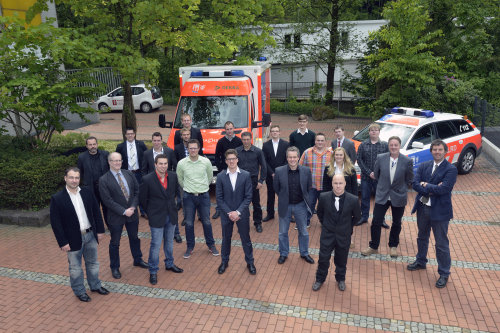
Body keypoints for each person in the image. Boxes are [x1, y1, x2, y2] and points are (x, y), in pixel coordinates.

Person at [50, 167, 109, 302]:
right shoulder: (57, 198)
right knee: (75, 268)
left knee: (93, 263)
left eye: (77, 177)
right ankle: (79, 291)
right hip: (72, 239)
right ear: (65, 178)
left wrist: (100, 230)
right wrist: (63, 242)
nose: (74, 180)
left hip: (90, 235)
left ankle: (95, 285)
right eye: (71, 177)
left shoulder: (87, 193)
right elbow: (56, 223)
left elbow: (96, 212)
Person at [408, 139, 457, 289]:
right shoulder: (424, 165)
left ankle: (444, 273)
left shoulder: (451, 169)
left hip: (440, 212)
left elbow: (444, 189)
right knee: (422, 237)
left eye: (440, 150)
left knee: (441, 243)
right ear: (431, 151)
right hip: (423, 208)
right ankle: (421, 261)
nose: (437, 152)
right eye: (434, 149)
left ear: (445, 151)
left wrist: (426, 185)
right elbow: (415, 183)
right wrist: (433, 187)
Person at [361, 136, 413, 258]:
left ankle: (393, 246)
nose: (393, 147)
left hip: (398, 196)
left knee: (396, 223)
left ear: (400, 146)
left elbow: (410, 178)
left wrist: (402, 188)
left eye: (396, 145)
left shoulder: (407, 161)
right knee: (376, 221)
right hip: (382, 195)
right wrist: (384, 186)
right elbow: (377, 174)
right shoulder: (381, 158)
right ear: (388, 146)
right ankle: (373, 246)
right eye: (391, 145)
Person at [99, 152, 148, 279]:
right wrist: (123, 211)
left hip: (132, 213)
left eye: (119, 160)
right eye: (114, 160)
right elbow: (107, 200)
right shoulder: (104, 179)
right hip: (116, 216)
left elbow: (137, 191)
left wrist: (133, 206)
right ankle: (114, 267)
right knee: (115, 242)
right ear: (109, 162)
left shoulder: (129, 174)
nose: (117, 163)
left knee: (135, 238)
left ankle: (137, 259)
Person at [140, 154, 183, 285]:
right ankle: (153, 271)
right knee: (156, 245)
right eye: (160, 164)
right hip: (156, 217)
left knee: (169, 242)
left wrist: (175, 207)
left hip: (171, 215)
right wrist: (150, 213)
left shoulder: (173, 176)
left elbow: (176, 193)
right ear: (155, 164)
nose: (163, 166)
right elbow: (142, 200)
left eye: (165, 164)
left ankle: (169, 264)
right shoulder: (147, 179)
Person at [312, 174, 361, 292]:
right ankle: (320, 279)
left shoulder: (353, 199)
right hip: (327, 234)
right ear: (332, 184)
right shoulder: (323, 197)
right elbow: (320, 214)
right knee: (323, 258)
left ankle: (340, 279)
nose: (338, 186)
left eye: (340, 183)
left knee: (341, 259)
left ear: (345, 183)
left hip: (343, 235)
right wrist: (326, 225)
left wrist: (348, 227)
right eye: (335, 183)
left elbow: (357, 217)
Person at [177, 139, 219, 259]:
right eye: (191, 148)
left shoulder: (205, 162)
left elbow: (210, 176)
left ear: (199, 149)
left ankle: (211, 245)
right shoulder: (182, 163)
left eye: (195, 148)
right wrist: (188, 188)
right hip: (188, 196)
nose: (193, 150)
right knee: (189, 223)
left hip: (204, 196)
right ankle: (190, 247)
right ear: (188, 149)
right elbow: (180, 179)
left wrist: (202, 187)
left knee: (206, 222)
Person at [215, 149, 256, 275]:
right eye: (229, 159)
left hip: (242, 214)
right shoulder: (221, 176)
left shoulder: (245, 175)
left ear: (237, 160)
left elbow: (248, 196)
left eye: (233, 158)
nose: (231, 161)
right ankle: (224, 262)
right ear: (226, 161)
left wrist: (237, 212)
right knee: (226, 238)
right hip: (226, 214)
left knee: (246, 239)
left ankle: (250, 262)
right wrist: (229, 213)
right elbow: (219, 198)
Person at [273, 146, 314, 265]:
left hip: (300, 205)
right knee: (282, 232)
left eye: (294, 157)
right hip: (285, 205)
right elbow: (277, 188)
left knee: (303, 231)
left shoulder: (306, 171)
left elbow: (308, 188)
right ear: (287, 158)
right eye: (290, 157)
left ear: (298, 158)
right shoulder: (279, 171)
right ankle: (283, 253)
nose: (292, 159)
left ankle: (304, 253)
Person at [142, 131, 181, 241]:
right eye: (154, 140)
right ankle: (159, 231)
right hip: (154, 185)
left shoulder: (169, 151)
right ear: (152, 141)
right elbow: (144, 169)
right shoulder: (147, 154)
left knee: (171, 209)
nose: (156, 142)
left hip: (167, 183)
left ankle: (176, 233)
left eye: (158, 140)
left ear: (161, 141)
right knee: (158, 209)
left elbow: (174, 165)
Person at [356, 123, 389, 228]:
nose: (374, 132)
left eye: (376, 130)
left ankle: (380, 219)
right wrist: (369, 172)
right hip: (366, 177)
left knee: (380, 199)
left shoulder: (384, 145)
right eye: (371, 130)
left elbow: (387, 160)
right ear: (369, 132)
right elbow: (359, 160)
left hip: (380, 178)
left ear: (379, 132)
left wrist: (378, 173)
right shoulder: (363, 145)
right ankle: (364, 217)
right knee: (365, 198)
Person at [236, 132, 267, 233]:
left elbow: (264, 166)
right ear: (242, 140)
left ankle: (257, 223)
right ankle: (241, 223)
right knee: (240, 203)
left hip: (253, 181)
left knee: (256, 203)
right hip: (240, 180)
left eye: (247, 139)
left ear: (251, 139)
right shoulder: (237, 151)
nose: (246, 141)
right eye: (244, 140)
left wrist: (261, 180)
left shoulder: (257, 151)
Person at [299, 132, 332, 226]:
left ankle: (324, 223)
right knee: (309, 205)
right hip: (311, 186)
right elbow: (300, 168)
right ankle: (306, 222)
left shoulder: (332, 154)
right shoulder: (307, 152)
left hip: (325, 187)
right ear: (315, 141)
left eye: (322, 140)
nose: (320, 142)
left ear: (325, 142)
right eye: (318, 140)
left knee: (325, 207)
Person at [213, 121, 243, 219]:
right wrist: (220, 168)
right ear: (224, 130)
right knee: (221, 191)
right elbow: (217, 156)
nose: (229, 131)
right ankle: (219, 210)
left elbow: (241, 156)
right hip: (224, 170)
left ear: (233, 128)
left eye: (231, 128)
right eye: (227, 129)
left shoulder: (239, 141)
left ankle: (237, 210)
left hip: (236, 170)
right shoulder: (221, 142)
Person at [115, 127, 148, 217]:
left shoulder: (141, 144)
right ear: (125, 135)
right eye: (128, 134)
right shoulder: (120, 146)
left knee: (140, 192)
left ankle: (143, 211)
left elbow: (146, 157)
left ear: (134, 134)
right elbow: (117, 159)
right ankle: (130, 210)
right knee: (128, 192)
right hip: (127, 173)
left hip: (139, 172)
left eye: (131, 133)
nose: (130, 135)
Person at [77, 136, 109, 225]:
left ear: (97, 144)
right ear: (87, 146)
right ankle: (98, 226)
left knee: (107, 207)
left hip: (104, 187)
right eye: (90, 145)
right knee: (94, 209)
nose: (93, 146)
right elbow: (80, 173)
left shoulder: (105, 154)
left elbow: (111, 170)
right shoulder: (82, 157)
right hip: (90, 188)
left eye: (94, 144)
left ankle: (110, 225)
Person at [262, 125, 289, 222]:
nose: (274, 133)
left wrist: (279, 173)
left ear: (279, 132)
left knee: (284, 195)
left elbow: (288, 160)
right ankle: (270, 214)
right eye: (272, 131)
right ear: (270, 133)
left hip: (283, 175)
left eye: (276, 131)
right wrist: (272, 173)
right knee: (270, 195)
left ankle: (286, 214)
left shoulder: (286, 144)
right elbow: (264, 161)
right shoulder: (265, 145)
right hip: (270, 175)